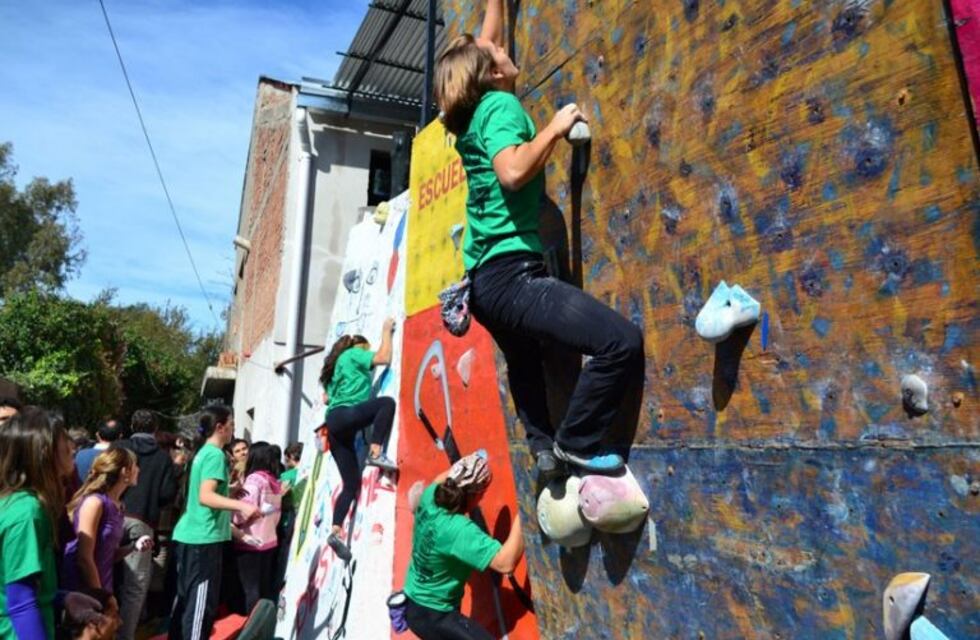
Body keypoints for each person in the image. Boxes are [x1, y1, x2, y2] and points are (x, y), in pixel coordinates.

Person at [434, 0, 644, 475]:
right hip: (511, 277)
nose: (501, 47)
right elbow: (511, 172)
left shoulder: (474, 115)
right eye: (494, 52)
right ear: (489, 74)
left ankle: (542, 446)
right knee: (620, 342)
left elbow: (490, 40)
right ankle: (578, 440)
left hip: (484, 285)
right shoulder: (501, 106)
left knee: (526, 362)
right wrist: (556, 124)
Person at [0, 406, 103, 639]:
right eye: (63, 438)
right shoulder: (27, 512)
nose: (71, 445)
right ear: (44, 451)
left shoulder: (17, 504)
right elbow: (20, 602)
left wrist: (62, 597)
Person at [402, 452, 524, 640]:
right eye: (483, 494)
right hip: (434, 615)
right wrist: (525, 509)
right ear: (476, 495)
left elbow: (447, 476)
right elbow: (505, 563)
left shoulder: (430, 496)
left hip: (414, 600)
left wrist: (471, 462)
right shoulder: (459, 530)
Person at [169, 406, 258, 640]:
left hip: (191, 535)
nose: (234, 428)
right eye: (231, 423)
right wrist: (243, 506)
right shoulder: (215, 455)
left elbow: (204, 491)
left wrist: (229, 491)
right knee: (200, 606)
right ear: (220, 427)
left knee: (186, 601)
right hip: (203, 538)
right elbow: (206, 496)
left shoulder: (202, 452)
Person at [319, 319, 399, 561]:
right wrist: (386, 331)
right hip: (346, 415)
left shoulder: (335, 370)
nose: (368, 361)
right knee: (386, 403)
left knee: (351, 484)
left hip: (334, 425)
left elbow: (326, 399)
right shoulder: (354, 353)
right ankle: (375, 453)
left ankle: (335, 531)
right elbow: (384, 357)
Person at [115, 409, 177, 640]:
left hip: (109, 516)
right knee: (135, 586)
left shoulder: (119, 448)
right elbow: (167, 494)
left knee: (102, 577)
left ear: (132, 426)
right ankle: (125, 636)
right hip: (142, 521)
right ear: (155, 429)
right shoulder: (162, 458)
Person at [63, 448, 150, 596]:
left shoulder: (118, 506)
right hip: (84, 593)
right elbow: (84, 558)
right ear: (125, 472)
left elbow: (108, 555)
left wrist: (133, 547)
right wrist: (103, 598)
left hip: (103, 587)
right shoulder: (94, 503)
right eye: (135, 465)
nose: (138, 469)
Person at [231, 442, 282, 613]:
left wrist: (231, 519)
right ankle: (264, 624)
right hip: (269, 540)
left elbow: (243, 511)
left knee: (249, 589)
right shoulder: (274, 481)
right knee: (264, 588)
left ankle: (251, 628)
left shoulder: (254, 480)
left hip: (250, 541)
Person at [275, 442, 303, 590]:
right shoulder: (307, 473)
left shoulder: (286, 476)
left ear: (291, 457)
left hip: (287, 519)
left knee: (283, 553)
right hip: (303, 518)